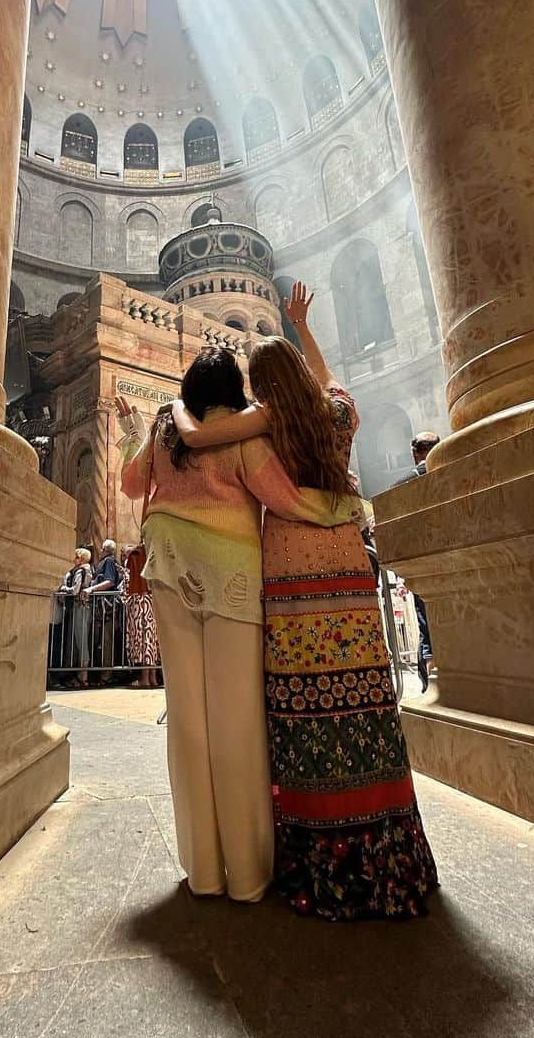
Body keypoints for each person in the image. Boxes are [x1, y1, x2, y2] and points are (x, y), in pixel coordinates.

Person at [172, 281, 438, 920]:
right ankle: (387, 857)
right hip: (346, 565)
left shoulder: (263, 432)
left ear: (260, 389)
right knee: (363, 700)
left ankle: (320, 861)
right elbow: (327, 381)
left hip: (289, 573)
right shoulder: (337, 415)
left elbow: (203, 439)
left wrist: (178, 412)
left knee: (303, 709)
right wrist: (302, 328)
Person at [117, 348, 360, 905]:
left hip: (170, 563)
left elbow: (132, 488)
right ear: (236, 388)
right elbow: (285, 499)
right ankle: (247, 875)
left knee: (187, 716)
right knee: (236, 717)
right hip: (231, 572)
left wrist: (134, 435)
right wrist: (338, 508)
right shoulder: (244, 437)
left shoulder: (166, 431)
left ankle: (203, 871)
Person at [397, 431, 441, 691]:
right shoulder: (456, 473)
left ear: (415, 453)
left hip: (424, 566)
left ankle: (432, 686)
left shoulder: (407, 483)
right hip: (455, 561)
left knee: (428, 631)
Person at [122, 543, 161, 689]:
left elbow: (129, 581)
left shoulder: (136, 554)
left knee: (144, 640)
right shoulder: (153, 551)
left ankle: (145, 678)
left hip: (139, 600)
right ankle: (152, 678)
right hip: (151, 600)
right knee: (151, 639)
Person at [86, 539, 124, 682]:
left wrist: (91, 589)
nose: (99, 551)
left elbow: (110, 581)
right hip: (103, 608)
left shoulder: (109, 562)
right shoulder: (109, 561)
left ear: (105, 550)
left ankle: (106, 675)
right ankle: (102, 673)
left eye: (101, 549)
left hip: (107, 608)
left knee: (106, 640)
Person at [63, 547, 93, 689]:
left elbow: (75, 589)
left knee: (81, 640)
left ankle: (83, 675)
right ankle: (82, 674)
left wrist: (64, 589)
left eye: (75, 557)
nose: (73, 559)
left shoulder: (81, 570)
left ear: (80, 559)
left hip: (80, 606)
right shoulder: (87, 569)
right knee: (81, 639)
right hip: (83, 607)